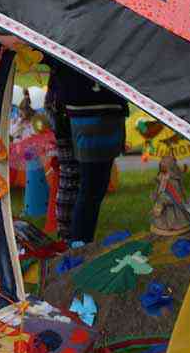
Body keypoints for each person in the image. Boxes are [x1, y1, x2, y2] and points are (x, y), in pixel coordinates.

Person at [43, 56, 128, 244]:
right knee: (90, 187)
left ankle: (70, 239)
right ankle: (77, 244)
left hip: (67, 105)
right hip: (88, 109)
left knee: (75, 181)